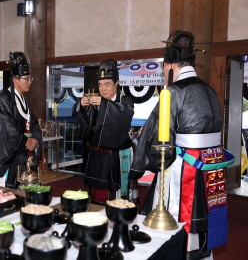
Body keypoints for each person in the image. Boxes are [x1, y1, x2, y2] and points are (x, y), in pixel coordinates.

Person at [129, 30, 235, 260]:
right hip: (212, 166)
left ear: (169, 65)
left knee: (175, 216)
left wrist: (139, 167)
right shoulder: (210, 90)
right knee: (204, 210)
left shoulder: (174, 91)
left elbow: (154, 131)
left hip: (184, 166)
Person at [72, 59, 134, 204]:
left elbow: (125, 115)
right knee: (97, 193)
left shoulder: (125, 101)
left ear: (116, 85)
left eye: (107, 84)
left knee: (118, 193)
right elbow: (87, 125)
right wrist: (80, 106)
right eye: (100, 85)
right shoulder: (97, 102)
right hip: (98, 154)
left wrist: (105, 104)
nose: (103, 89)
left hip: (117, 153)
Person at [0, 51, 42, 188]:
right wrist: (26, 141)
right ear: (15, 80)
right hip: (12, 155)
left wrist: (35, 139)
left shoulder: (25, 100)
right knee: (9, 193)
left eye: (31, 78)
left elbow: (35, 124)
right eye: (27, 78)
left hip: (26, 151)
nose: (30, 82)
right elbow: (7, 127)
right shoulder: (3, 99)